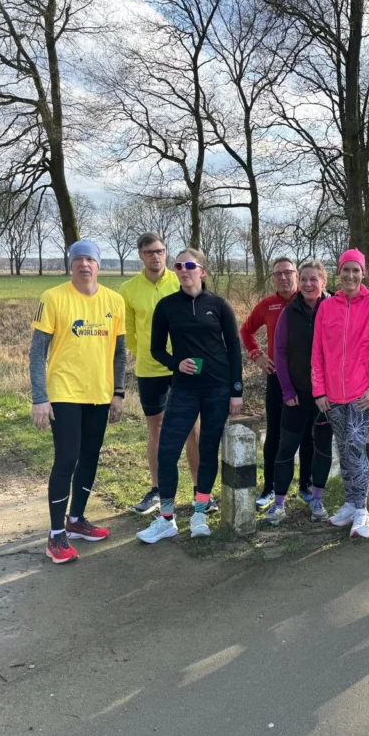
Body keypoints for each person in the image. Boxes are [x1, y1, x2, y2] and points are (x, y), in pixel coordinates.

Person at [136, 249, 244, 542]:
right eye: (179, 266)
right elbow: (156, 348)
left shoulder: (219, 305)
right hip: (184, 389)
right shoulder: (167, 306)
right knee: (168, 451)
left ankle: (199, 513)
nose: (184, 270)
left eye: (190, 266)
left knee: (208, 450)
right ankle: (167, 519)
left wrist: (236, 391)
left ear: (203, 271)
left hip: (218, 388)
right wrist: (175, 363)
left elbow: (234, 348)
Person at [30, 239, 126, 564]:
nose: (84, 264)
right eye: (78, 259)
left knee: (90, 457)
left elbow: (120, 353)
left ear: (99, 265)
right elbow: (37, 351)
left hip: (99, 394)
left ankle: (76, 520)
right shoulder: (53, 298)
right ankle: (56, 535)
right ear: (70, 265)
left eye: (90, 259)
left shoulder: (115, 301)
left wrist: (119, 392)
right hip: (64, 393)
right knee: (67, 459)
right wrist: (40, 398)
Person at [118, 233, 201, 515]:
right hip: (149, 368)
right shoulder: (128, 289)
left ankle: (200, 491)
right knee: (157, 428)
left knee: (193, 426)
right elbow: (128, 332)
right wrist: (146, 351)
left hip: (185, 366)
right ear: (140, 254)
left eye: (161, 251)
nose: (157, 257)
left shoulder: (180, 279)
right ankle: (157, 491)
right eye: (151, 252)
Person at [311, 249, 369, 539]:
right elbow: (317, 352)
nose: (350, 275)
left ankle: (361, 511)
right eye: (346, 270)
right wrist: (318, 390)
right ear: (339, 272)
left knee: (355, 447)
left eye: (356, 270)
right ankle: (349, 502)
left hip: (362, 393)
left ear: (363, 273)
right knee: (343, 449)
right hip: (332, 395)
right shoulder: (326, 308)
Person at [265, 261, 334, 524]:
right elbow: (280, 353)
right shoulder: (289, 312)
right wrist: (286, 390)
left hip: (327, 396)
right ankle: (279, 502)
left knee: (323, 447)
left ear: (323, 283)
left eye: (313, 279)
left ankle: (317, 500)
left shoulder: (333, 308)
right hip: (297, 392)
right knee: (287, 447)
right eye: (303, 279)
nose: (307, 284)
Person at [240, 256, 307, 511]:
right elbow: (246, 331)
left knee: (309, 433)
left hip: (308, 379)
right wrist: (257, 355)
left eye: (288, 272)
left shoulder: (311, 299)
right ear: (273, 278)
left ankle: (306, 486)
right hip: (277, 377)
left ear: (296, 275)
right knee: (275, 434)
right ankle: (269, 486)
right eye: (278, 274)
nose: (283, 278)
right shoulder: (267, 305)